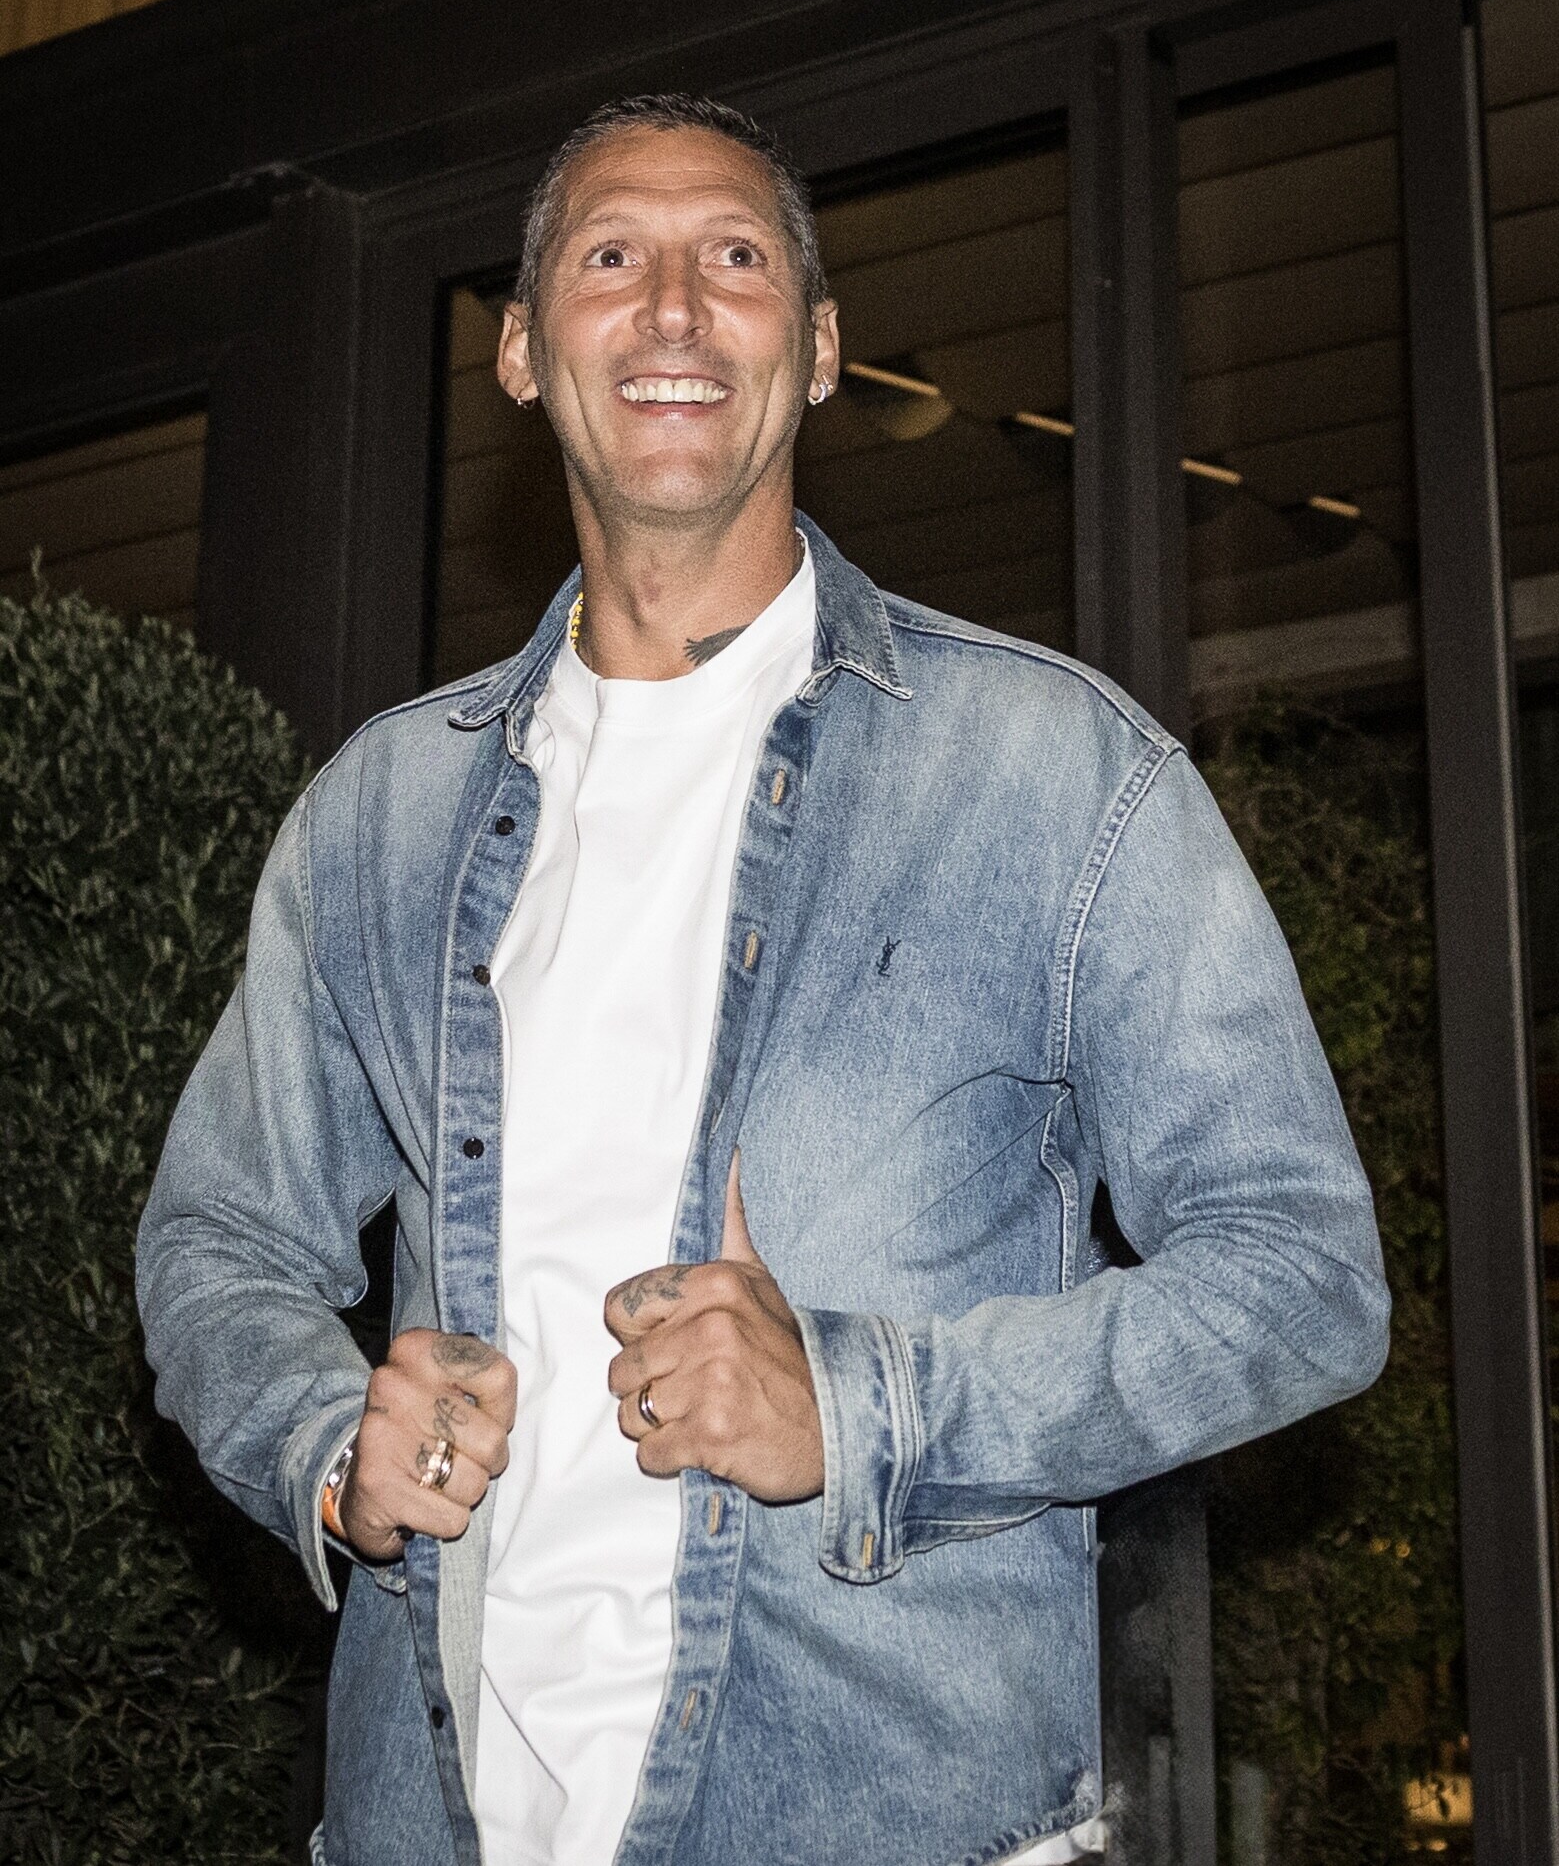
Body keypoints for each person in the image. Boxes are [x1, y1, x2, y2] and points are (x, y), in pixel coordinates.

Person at [137, 93, 1391, 1866]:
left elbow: (1303, 1276)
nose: (671, 306)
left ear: (816, 351)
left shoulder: (1057, 773)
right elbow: (217, 1237)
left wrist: (867, 1405)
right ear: (521, 352)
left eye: (733, 257)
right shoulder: (381, 816)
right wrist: (332, 1440)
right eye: (610, 256)